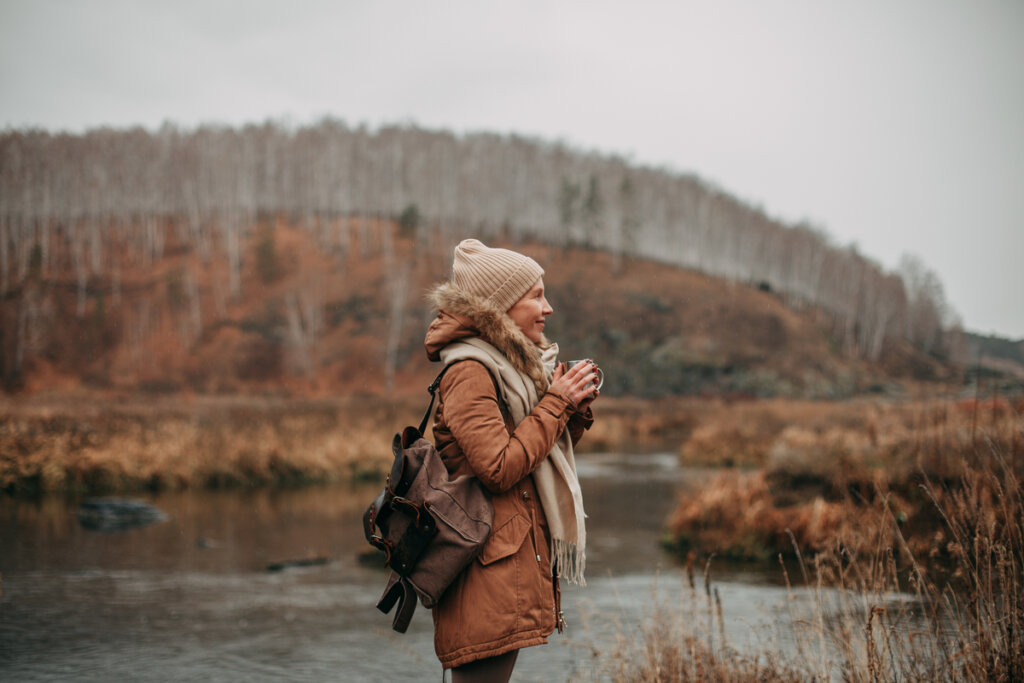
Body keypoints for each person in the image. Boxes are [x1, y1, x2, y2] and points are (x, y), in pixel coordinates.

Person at [424, 238, 598, 681]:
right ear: (502, 306)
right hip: (484, 569)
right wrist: (556, 403)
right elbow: (500, 468)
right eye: (537, 295)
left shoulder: (514, 369)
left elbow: (534, 455)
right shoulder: (469, 371)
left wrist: (570, 408)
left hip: (503, 564)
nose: (549, 307)